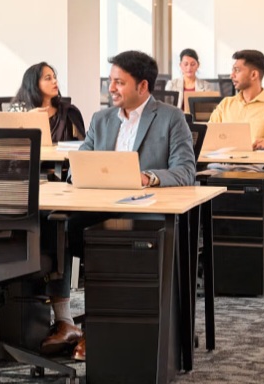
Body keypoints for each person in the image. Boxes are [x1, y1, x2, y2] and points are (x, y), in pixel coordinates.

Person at [39, 51, 196, 361]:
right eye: (111, 81)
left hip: (144, 214)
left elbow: (185, 170)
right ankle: (66, 322)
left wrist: (148, 177)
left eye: (119, 82)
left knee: (106, 243)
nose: (111, 88)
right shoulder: (101, 120)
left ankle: (100, 329)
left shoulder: (170, 118)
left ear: (143, 86)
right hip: (97, 208)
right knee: (52, 225)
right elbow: (76, 168)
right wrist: (81, 174)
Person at [208, 50, 264, 150]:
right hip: (223, 159)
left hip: (256, 160)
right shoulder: (226, 104)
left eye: (237, 70)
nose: (231, 75)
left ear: (254, 75)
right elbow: (207, 135)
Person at [11, 62, 85, 142]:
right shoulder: (18, 111)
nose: (55, 81)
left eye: (54, 77)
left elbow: (83, 144)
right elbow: (9, 143)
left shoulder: (69, 112)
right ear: (34, 84)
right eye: (48, 78)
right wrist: (28, 119)